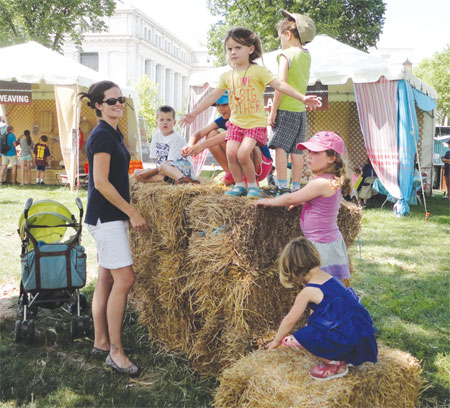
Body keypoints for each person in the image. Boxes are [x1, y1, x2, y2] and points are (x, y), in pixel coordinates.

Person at [181, 27, 320, 199]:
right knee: (232, 154)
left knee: (242, 153)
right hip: (236, 123)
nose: (233, 52)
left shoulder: (258, 71)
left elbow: (280, 85)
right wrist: (194, 113)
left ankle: (253, 186)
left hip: (254, 124)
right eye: (230, 49)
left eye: (238, 48)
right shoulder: (227, 75)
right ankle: (239, 185)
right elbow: (213, 96)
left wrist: (302, 97)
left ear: (251, 49)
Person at [79, 80, 148, 376]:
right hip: (107, 219)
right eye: (111, 101)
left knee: (106, 278)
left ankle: (102, 342)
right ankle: (116, 353)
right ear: (98, 105)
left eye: (120, 99)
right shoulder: (103, 137)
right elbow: (101, 182)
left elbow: (116, 178)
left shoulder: (113, 132)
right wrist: (133, 212)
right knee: (125, 280)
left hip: (107, 216)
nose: (118, 104)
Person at [266, 237, 378, 381]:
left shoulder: (308, 292)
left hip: (348, 337)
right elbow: (326, 315)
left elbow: (290, 320)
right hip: (360, 336)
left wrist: (276, 340)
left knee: (303, 336)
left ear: (293, 270)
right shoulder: (331, 278)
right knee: (314, 330)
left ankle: (334, 364)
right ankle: (344, 355)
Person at [255, 131, 351, 281]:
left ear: (331, 158)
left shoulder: (320, 183)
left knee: (320, 286)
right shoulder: (328, 180)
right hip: (326, 242)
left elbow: (291, 197)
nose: (309, 156)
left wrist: (269, 201)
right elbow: (319, 200)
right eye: (309, 152)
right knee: (327, 286)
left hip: (321, 245)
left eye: (316, 153)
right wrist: (303, 201)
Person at [181, 91, 273, 186]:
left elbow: (229, 133)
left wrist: (202, 146)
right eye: (218, 105)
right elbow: (199, 133)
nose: (220, 109)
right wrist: (189, 146)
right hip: (240, 158)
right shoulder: (222, 119)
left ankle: (249, 179)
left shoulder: (244, 116)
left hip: (261, 165)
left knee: (243, 141)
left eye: (224, 104)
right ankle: (232, 174)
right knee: (211, 134)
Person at [269, 10, 315, 195]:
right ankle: (296, 187)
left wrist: (273, 112)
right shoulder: (306, 55)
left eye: (281, 37)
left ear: (288, 34)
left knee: (280, 148)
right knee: (297, 151)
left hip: (286, 109)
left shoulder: (285, 55)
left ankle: (281, 187)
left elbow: (280, 85)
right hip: (300, 111)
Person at [133, 105, 198, 185]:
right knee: (136, 173)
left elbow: (169, 163)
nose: (165, 122)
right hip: (163, 170)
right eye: (162, 119)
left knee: (162, 167)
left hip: (182, 169)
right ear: (156, 123)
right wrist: (149, 173)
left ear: (174, 122)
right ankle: (167, 180)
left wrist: (149, 173)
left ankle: (183, 179)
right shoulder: (156, 136)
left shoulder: (176, 139)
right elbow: (157, 160)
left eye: (168, 120)